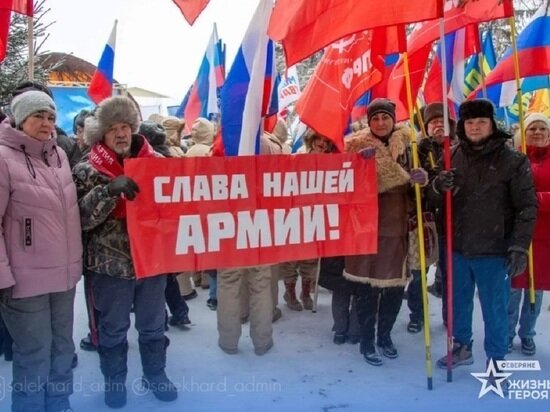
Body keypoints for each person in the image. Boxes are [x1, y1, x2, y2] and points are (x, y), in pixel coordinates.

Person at [73, 96, 177, 408]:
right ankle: (114, 380)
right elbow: (80, 218)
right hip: (109, 267)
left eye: (126, 127)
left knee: (153, 325)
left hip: (151, 263)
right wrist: (107, 191)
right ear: (100, 134)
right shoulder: (86, 170)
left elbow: (178, 209)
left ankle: (155, 374)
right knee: (113, 329)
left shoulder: (158, 163)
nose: (121, 134)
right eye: (112, 128)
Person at [429, 99, 537, 370]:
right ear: (463, 126)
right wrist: (437, 186)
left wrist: (519, 246)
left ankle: (497, 359)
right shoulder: (451, 155)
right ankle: (462, 346)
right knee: (458, 303)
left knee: (495, 309)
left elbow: (527, 206)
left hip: (495, 248)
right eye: (470, 123)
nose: (475, 127)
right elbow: (435, 201)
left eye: (481, 122)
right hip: (457, 245)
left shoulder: (513, 160)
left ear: (491, 124)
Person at [0, 90, 82, 412]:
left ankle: (59, 404)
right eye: (38, 116)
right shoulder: (3, 159)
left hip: (63, 277)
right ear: (20, 119)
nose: (46, 123)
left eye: (50, 117)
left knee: (62, 349)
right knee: (34, 354)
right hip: (24, 282)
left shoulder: (58, 155)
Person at [344, 98, 428, 366]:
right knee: (366, 289)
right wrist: (358, 165)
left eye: (385, 118)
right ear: (369, 122)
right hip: (363, 227)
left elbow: (429, 185)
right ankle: (367, 341)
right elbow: (341, 185)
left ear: (394, 119)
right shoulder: (355, 147)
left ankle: (385, 337)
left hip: (397, 228)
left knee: (392, 289)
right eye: (375, 119)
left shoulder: (411, 146)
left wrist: (421, 180)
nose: (380, 123)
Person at [406, 102, 456, 333]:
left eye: (442, 122)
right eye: (433, 122)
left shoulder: (459, 148)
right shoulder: (416, 149)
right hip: (423, 221)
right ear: (426, 127)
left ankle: (449, 316)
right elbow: (406, 180)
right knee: (418, 273)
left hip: (452, 222)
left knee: (448, 274)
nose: (438, 126)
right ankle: (417, 315)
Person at [508, 113, 550, 356]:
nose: (536, 132)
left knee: (536, 288)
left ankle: (528, 334)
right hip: (519, 234)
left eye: (541, 128)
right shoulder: (516, 159)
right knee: (514, 287)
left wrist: (536, 200)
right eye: (532, 128)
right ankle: (506, 333)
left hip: (544, 236)